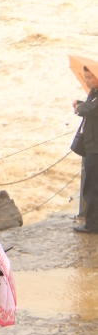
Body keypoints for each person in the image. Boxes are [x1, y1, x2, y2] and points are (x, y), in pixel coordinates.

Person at [73, 64, 98, 234]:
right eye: (85, 77)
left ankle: (92, 224)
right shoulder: (93, 94)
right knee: (92, 186)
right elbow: (90, 107)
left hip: (95, 150)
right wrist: (80, 105)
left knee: (91, 187)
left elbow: (91, 108)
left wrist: (79, 107)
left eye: (90, 77)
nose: (87, 81)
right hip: (92, 147)